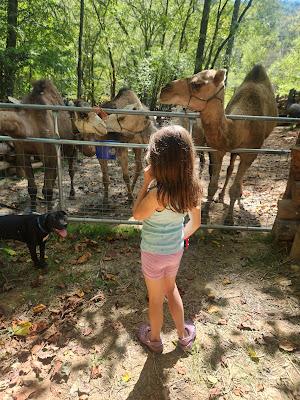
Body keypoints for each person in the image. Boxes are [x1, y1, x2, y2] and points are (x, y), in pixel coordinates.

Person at [133, 125, 202, 353]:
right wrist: (179, 238)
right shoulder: (192, 191)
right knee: (171, 289)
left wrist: (144, 182)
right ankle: (183, 336)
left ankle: (154, 339)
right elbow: (196, 223)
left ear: (158, 162)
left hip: (152, 253)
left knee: (155, 299)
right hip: (175, 251)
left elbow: (137, 214)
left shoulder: (156, 194)